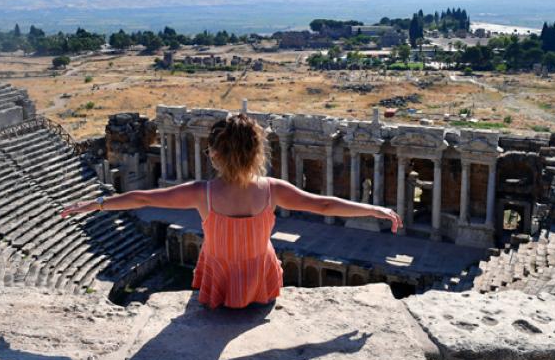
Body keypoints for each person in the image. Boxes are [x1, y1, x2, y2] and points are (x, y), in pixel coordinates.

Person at [60, 113, 403, 309]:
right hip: (260, 275)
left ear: (215, 154)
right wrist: (373, 209)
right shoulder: (272, 189)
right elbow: (324, 204)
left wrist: (97, 204)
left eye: (210, 149)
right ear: (256, 153)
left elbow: (143, 199)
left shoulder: (202, 193)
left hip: (219, 273)